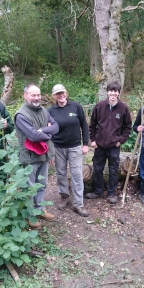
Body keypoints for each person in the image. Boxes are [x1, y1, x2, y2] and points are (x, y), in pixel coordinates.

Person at [14, 84, 59, 229]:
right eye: (33, 95)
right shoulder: (21, 115)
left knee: (42, 184)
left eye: (38, 95)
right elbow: (32, 135)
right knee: (30, 187)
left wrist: (44, 130)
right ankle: (29, 215)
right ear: (25, 96)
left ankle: (39, 209)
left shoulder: (44, 110)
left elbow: (56, 126)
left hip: (44, 155)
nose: (36, 98)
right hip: (30, 157)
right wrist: (49, 133)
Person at [86, 81, 132, 204]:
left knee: (113, 170)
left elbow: (128, 127)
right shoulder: (99, 106)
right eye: (111, 91)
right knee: (97, 168)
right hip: (99, 145)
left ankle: (112, 193)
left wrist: (120, 140)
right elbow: (92, 125)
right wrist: (93, 140)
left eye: (115, 91)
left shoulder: (123, 108)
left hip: (114, 146)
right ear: (107, 92)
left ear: (118, 93)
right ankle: (98, 191)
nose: (113, 93)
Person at [48, 84, 90, 217]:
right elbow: (47, 131)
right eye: (58, 94)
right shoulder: (50, 111)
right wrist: (50, 151)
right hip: (58, 147)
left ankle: (78, 203)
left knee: (77, 174)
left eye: (62, 93)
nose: (61, 95)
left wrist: (86, 144)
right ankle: (64, 197)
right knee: (60, 173)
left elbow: (84, 125)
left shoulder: (76, 106)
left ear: (66, 93)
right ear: (54, 96)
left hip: (75, 146)